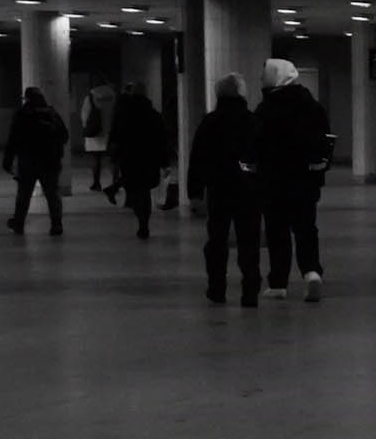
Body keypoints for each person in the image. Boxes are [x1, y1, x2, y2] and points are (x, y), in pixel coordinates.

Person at [255, 57, 332, 299]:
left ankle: (278, 282)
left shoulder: (266, 109)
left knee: (277, 230)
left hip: (274, 180)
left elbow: (256, 144)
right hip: (305, 179)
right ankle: (311, 272)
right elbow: (324, 142)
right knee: (306, 227)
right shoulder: (312, 106)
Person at [186, 72, 263, 307]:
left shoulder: (210, 122)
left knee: (217, 240)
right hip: (248, 189)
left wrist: (195, 192)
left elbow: (197, 158)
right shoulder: (252, 121)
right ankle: (250, 291)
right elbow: (263, 156)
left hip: (219, 190)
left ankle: (216, 288)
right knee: (249, 241)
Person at [4, 85, 70, 234]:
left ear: (26, 98)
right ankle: (56, 224)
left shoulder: (22, 114)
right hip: (51, 161)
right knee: (52, 194)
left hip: (28, 162)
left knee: (24, 194)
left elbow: (13, 139)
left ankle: (19, 223)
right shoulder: (52, 113)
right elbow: (64, 136)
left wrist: (7, 160)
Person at [107, 82, 168, 240]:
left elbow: (115, 135)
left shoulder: (124, 113)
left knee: (133, 188)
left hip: (129, 156)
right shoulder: (153, 114)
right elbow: (162, 139)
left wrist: (114, 156)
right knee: (145, 190)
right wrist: (164, 162)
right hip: (149, 157)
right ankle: (144, 224)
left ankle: (118, 191)